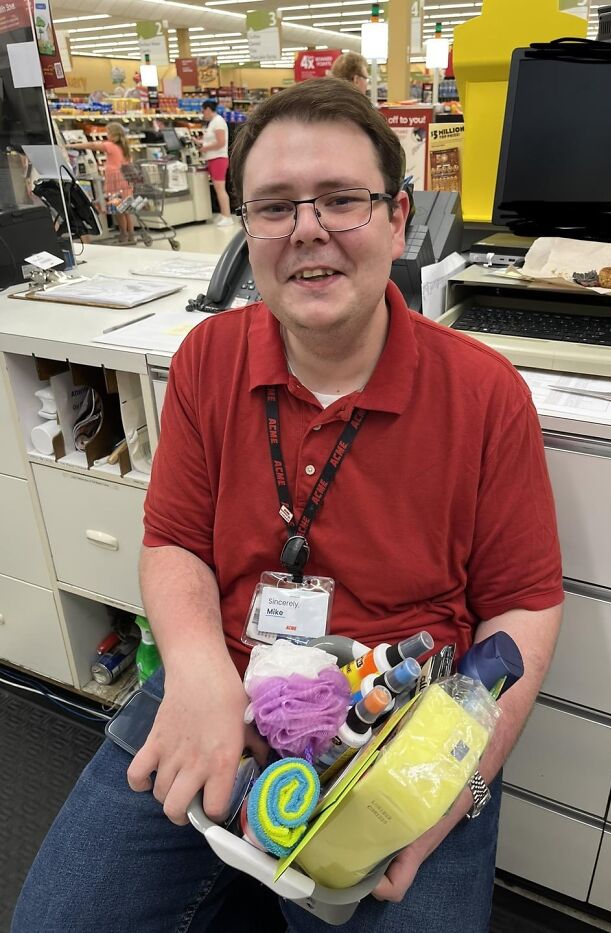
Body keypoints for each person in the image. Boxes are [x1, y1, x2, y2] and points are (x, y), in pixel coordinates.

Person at [12, 77, 563, 933]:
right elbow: (173, 542)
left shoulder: (485, 395)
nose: (307, 228)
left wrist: (467, 775)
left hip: (397, 730)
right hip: (220, 677)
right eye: (273, 206)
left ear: (398, 216)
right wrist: (195, 673)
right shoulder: (207, 359)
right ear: (247, 229)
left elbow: (525, 605)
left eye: (342, 198)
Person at [69, 121, 136, 244]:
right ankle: (131, 235)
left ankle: (123, 236)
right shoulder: (124, 147)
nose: (107, 135)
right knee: (126, 210)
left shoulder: (110, 145)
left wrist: (73, 146)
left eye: (108, 132)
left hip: (115, 182)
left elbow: (93, 145)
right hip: (125, 182)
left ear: (113, 134)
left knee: (118, 211)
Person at [199, 98, 233, 227]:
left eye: (203, 111)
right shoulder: (213, 122)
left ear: (208, 109)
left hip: (218, 159)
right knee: (218, 188)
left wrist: (205, 148)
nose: (203, 114)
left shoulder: (218, 122)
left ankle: (227, 216)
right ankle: (224, 213)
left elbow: (221, 142)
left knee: (220, 189)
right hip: (213, 159)